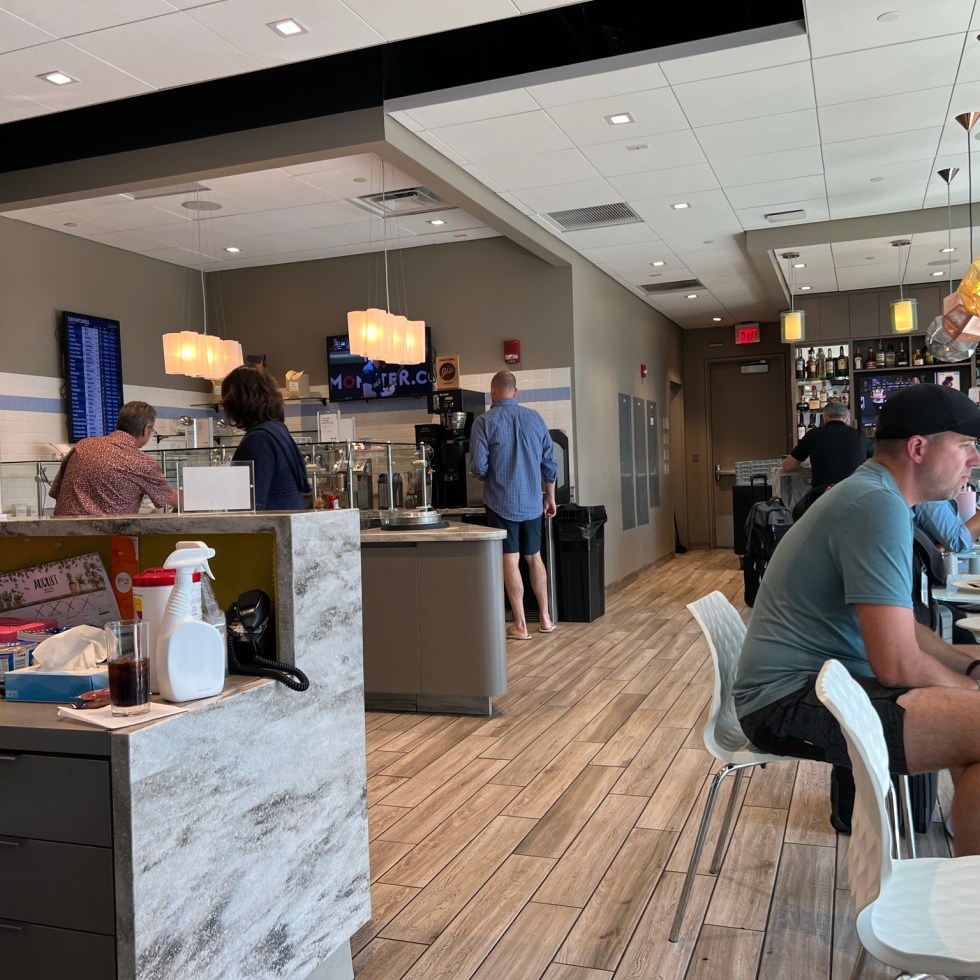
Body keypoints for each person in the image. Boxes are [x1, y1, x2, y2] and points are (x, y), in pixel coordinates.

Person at [733, 383, 980, 856]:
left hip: (814, 684)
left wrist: (967, 666)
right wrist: (967, 689)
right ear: (918, 449)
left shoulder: (878, 495)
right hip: (784, 703)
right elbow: (897, 665)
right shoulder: (876, 505)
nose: (974, 459)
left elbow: (905, 631)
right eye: (966, 445)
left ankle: (963, 879)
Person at [469, 370, 558, 640]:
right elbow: (549, 463)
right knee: (534, 557)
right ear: (516, 392)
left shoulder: (484, 422)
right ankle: (545, 618)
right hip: (532, 502)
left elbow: (478, 466)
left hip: (500, 502)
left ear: (492, 391)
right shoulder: (535, 418)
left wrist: (485, 474)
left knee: (511, 558)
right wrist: (550, 496)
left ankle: (520, 625)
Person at [49, 401, 178, 516]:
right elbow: (173, 500)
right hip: (108, 533)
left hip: (61, 531)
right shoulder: (142, 461)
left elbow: (56, 492)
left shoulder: (82, 445)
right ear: (146, 429)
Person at [220, 364, 311, 510]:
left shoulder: (258, 440)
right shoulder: (277, 430)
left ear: (235, 402)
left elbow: (249, 505)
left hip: (270, 523)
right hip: (285, 520)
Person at [782, 399, 871, 519]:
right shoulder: (860, 436)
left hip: (823, 496)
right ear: (846, 419)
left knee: (797, 512)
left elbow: (787, 466)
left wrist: (807, 461)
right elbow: (874, 461)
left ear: (824, 417)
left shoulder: (813, 434)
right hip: (855, 495)